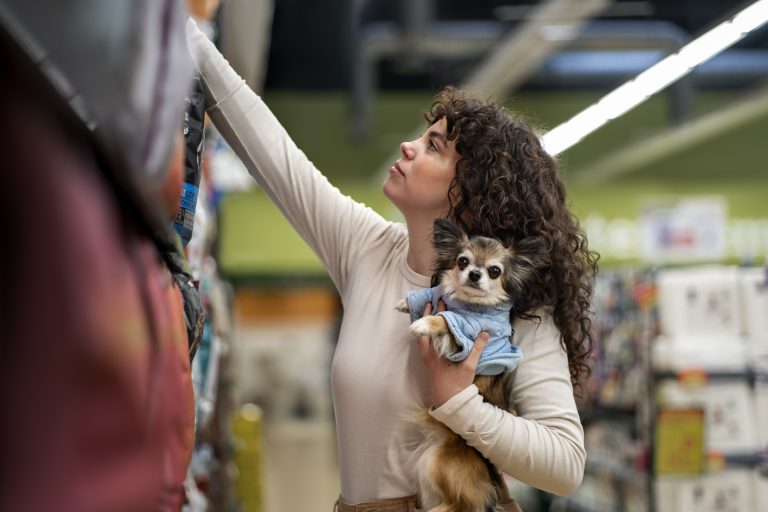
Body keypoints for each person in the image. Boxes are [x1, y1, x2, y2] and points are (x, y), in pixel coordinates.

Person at [186, 18, 598, 511]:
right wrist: (180, 28)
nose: (409, 146)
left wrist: (459, 403)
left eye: (433, 147)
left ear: (467, 196)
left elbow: (566, 464)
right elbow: (268, 146)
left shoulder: (513, 304)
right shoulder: (366, 246)